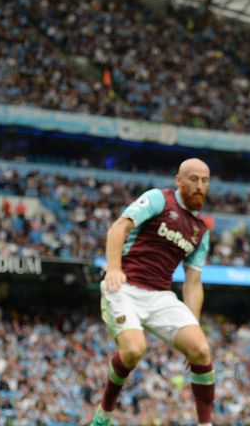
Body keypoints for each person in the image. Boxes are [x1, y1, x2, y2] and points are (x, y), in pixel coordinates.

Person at [90, 159, 214, 426]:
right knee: (134, 350)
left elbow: (193, 283)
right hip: (124, 286)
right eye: (193, 179)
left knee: (201, 350)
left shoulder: (201, 232)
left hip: (160, 295)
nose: (199, 186)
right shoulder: (159, 200)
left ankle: (205, 424)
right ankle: (104, 413)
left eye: (205, 181)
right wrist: (113, 268)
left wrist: (194, 324)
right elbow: (118, 228)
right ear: (179, 180)